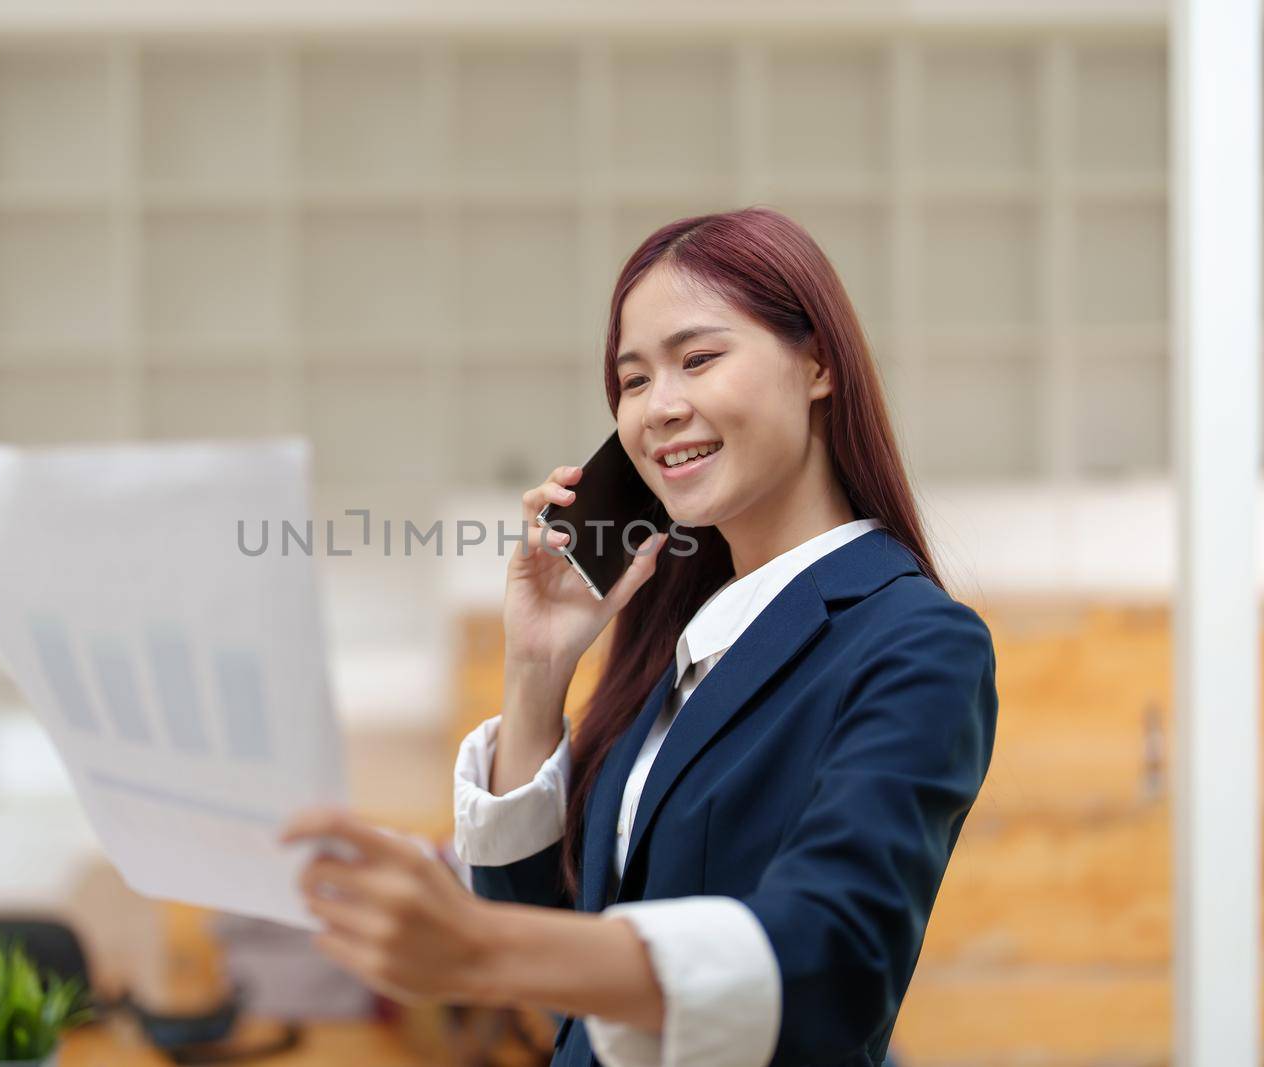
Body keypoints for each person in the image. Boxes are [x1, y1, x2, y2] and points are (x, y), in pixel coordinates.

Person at [281, 207, 999, 1067]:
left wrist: (476, 944)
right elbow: (559, 965)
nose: (660, 408)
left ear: (817, 363)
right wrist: (538, 667)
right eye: (631, 381)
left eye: (698, 359)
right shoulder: (686, 646)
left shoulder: (915, 641)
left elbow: (836, 956)